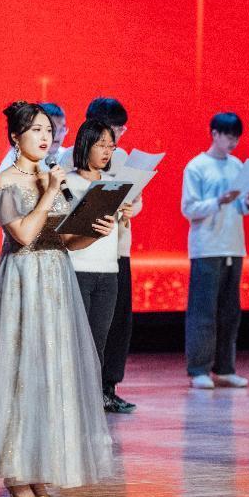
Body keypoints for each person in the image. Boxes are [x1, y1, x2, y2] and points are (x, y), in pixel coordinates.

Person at [0, 102, 113, 497]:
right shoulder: (6, 180)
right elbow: (23, 235)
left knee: (51, 372)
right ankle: (16, 475)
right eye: (37, 129)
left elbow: (66, 240)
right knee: (20, 370)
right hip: (23, 280)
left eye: (49, 130)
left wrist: (95, 230)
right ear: (15, 136)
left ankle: (39, 470)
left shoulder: (51, 175)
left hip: (56, 278)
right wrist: (50, 192)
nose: (45, 137)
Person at [181, 112, 249, 389]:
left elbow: (242, 209)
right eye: (228, 136)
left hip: (233, 246)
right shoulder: (197, 167)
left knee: (229, 311)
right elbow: (189, 208)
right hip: (206, 247)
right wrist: (218, 201)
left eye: (236, 137)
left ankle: (225, 368)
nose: (233, 142)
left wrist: (248, 201)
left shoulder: (237, 165)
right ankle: (199, 369)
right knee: (203, 311)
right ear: (214, 134)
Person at [65, 118, 134, 412]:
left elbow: (115, 228)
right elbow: (65, 231)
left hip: (108, 271)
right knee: (74, 341)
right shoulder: (68, 182)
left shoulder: (112, 183)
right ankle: (70, 402)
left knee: (98, 341)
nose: (107, 151)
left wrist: (124, 214)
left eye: (111, 146)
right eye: (101, 145)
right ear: (85, 145)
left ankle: (91, 403)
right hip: (78, 269)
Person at [85, 97, 142, 413]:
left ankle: (108, 387)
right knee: (91, 325)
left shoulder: (122, 159)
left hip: (118, 249)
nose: (118, 136)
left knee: (119, 321)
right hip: (84, 252)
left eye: (121, 130)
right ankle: (85, 389)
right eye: (115, 128)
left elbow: (137, 199)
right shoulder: (69, 157)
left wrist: (131, 206)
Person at [0, 102, 68, 175]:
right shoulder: (17, 155)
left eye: (62, 129)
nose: (57, 135)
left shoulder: (66, 155)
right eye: (51, 129)